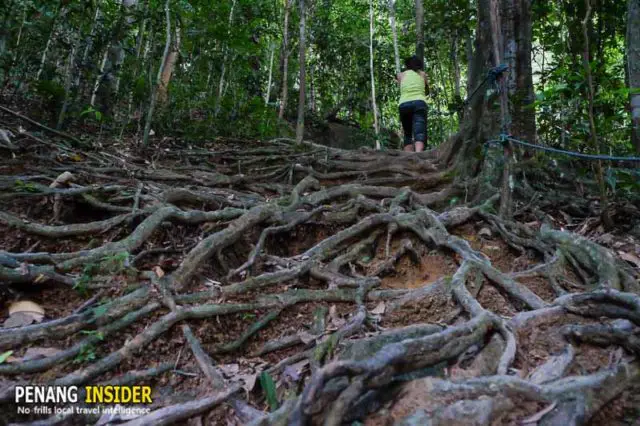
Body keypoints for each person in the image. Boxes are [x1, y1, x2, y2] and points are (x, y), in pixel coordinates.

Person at [397, 55, 429, 152]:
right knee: (419, 131)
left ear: (407, 65)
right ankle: (418, 154)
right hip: (419, 103)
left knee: (407, 133)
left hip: (404, 104)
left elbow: (401, 87)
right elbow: (427, 91)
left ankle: (408, 158)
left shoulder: (400, 75)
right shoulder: (423, 74)